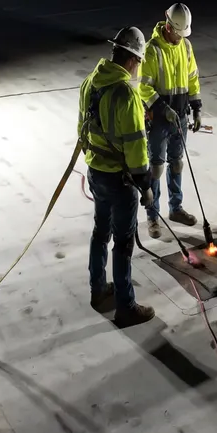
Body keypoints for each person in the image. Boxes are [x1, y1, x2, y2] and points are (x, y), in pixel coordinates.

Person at [78, 27, 156, 328]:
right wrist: (146, 186)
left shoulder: (90, 83)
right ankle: (126, 306)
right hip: (120, 182)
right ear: (134, 60)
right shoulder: (126, 94)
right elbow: (137, 150)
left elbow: (80, 132)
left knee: (100, 232)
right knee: (123, 243)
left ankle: (98, 290)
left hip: (96, 172)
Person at [137, 3, 202, 237]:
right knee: (155, 168)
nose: (180, 38)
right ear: (168, 25)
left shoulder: (185, 46)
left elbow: (193, 78)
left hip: (180, 118)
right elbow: (143, 87)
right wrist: (163, 109)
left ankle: (176, 208)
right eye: (178, 33)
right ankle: (152, 217)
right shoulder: (152, 50)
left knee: (176, 163)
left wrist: (196, 108)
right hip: (159, 121)